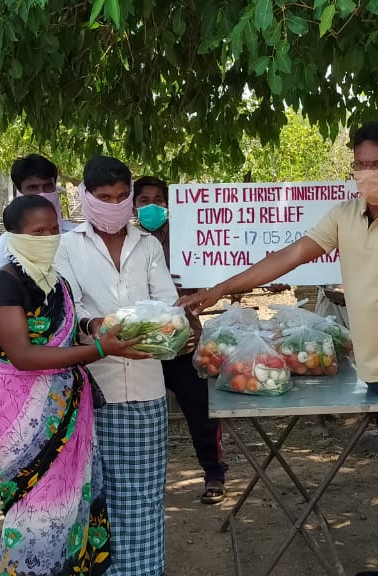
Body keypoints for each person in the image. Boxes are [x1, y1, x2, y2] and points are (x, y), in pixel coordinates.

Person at [179, 119, 378, 576]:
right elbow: (288, 257)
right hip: (371, 369)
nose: (369, 173)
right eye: (361, 164)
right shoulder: (345, 216)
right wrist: (219, 289)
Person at [0, 194, 148, 576]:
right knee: (36, 512)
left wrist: (104, 334)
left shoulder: (57, 284)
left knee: (75, 503)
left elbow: (68, 342)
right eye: (37, 232)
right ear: (13, 237)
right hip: (28, 418)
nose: (48, 238)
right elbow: (24, 356)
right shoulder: (2, 285)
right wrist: (102, 350)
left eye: (54, 229)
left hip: (71, 409)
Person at [57, 157, 182, 576]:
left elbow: (166, 302)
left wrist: (164, 325)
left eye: (120, 196)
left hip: (145, 386)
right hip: (92, 387)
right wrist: (95, 326)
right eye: (104, 197)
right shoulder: (68, 246)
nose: (113, 205)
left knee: (144, 495)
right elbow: (67, 308)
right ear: (86, 197)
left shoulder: (147, 245)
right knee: (93, 495)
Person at [134, 176, 229, 504]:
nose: (152, 206)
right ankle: (143, 486)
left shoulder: (190, 238)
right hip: (142, 349)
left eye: (158, 200)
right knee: (140, 421)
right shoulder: (125, 243)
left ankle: (214, 473)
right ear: (133, 206)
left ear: (169, 204)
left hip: (185, 344)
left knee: (201, 413)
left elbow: (219, 272)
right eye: (144, 200)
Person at [0, 154, 78, 273]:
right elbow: (0, 282)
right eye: (32, 188)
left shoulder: (77, 235)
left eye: (48, 186)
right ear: (19, 191)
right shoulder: (5, 245)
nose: (42, 194)